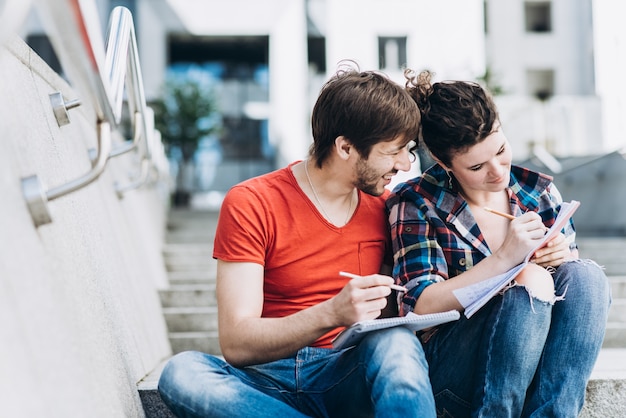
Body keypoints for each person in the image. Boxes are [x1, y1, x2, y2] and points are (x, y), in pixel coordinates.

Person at [158, 64, 437, 418]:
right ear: (346, 147)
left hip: (345, 374)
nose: (405, 164)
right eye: (393, 150)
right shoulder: (252, 202)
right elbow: (237, 342)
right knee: (182, 373)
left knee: (396, 340)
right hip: (262, 382)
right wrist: (332, 313)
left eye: (408, 149)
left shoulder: (386, 207)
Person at [386, 69, 611, 417]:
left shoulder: (537, 192)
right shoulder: (417, 202)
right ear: (445, 163)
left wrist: (560, 257)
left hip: (534, 362)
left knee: (586, 277)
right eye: (477, 166)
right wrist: (505, 259)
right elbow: (420, 308)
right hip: (457, 369)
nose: (497, 171)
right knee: (527, 286)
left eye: (501, 150)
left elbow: (573, 297)